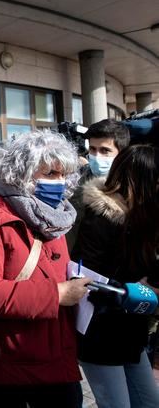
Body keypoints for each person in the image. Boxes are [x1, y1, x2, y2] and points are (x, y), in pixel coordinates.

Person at [0, 130, 91, 408]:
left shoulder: (54, 215)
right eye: (50, 174)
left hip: (60, 361)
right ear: (21, 173)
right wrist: (57, 294)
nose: (60, 183)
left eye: (63, 175)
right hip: (11, 370)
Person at [71, 144, 159, 408]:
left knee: (149, 402)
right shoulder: (100, 218)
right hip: (100, 335)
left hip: (130, 332)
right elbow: (86, 280)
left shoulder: (143, 217)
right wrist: (137, 290)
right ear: (141, 180)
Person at [66, 119, 130, 249]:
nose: (97, 156)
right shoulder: (75, 181)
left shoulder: (131, 189)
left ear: (122, 153)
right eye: (92, 149)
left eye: (105, 150)